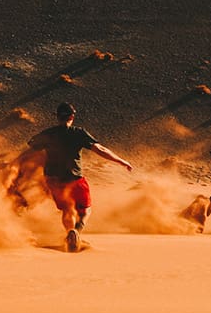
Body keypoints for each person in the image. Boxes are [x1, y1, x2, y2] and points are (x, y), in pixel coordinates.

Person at [8, 102, 132, 251]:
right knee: (86, 209)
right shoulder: (78, 133)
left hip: (52, 179)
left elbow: (28, 152)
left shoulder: (48, 133)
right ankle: (76, 231)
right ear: (72, 116)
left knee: (67, 208)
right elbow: (99, 149)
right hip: (74, 178)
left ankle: (69, 232)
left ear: (57, 117)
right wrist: (121, 161)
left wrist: (13, 164)